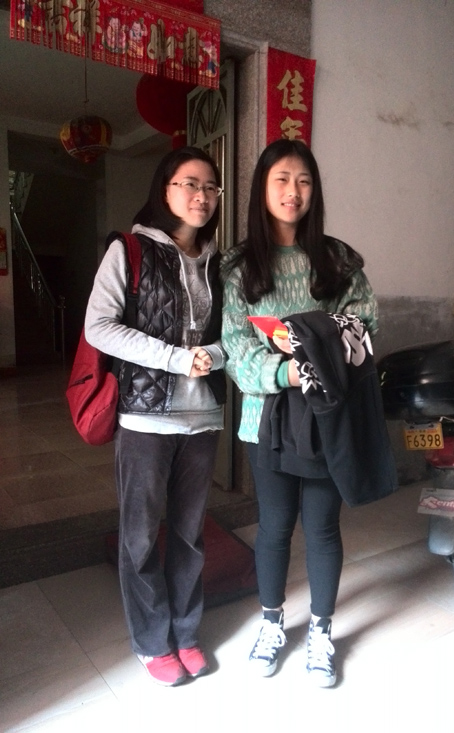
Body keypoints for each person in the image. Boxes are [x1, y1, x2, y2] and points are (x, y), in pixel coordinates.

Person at [221, 139, 384, 688]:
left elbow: (366, 321)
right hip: (264, 418)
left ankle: (320, 631)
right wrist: (289, 370)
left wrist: (315, 344)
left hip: (326, 416)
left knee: (322, 528)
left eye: (304, 181)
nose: (294, 192)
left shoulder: (337, 259)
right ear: (262, 189)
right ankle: (271, 624)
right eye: (282, 180)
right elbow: (236, 348)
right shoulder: (239, 267)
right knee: (273, 526)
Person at [85, 146, 226, 687]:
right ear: (164, 189)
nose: (201, 196)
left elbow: (236, 334)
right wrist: (174, 358)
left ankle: (185, 632)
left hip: (203, 418)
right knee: (140, 537)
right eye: (189, 183)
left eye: (210, 187)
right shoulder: (129, 249)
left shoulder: (221, 263)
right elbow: (100, 327)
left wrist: (213, 356)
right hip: (145, 420)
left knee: (189, 534)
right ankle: (151, 642)